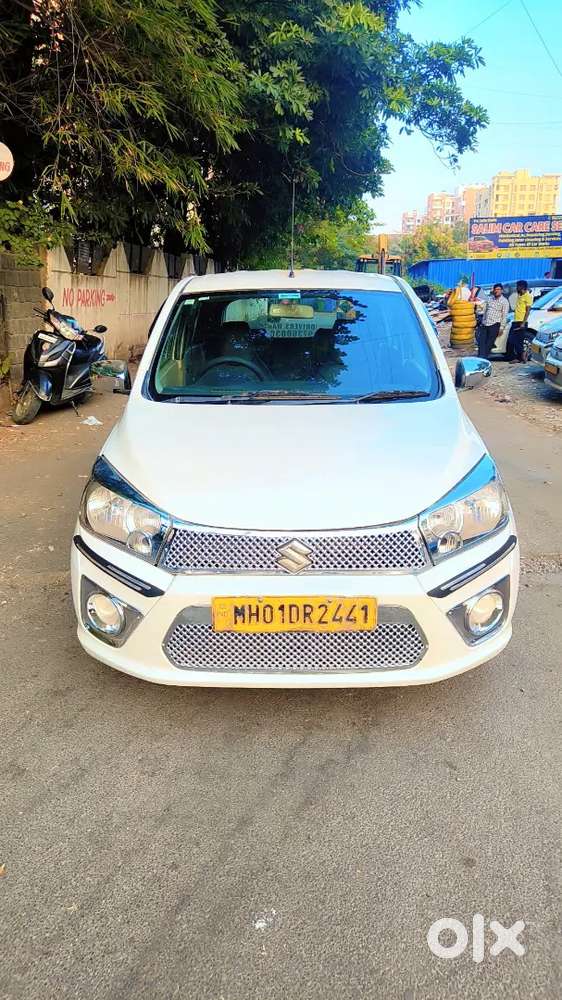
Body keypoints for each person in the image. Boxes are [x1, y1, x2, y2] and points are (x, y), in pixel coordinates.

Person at [477, 282, 509, 358]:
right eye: (495, 289)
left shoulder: (504, 301)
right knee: (481, 342)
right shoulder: (490, 299)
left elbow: (504, 315)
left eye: (498, 289)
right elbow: (485, 310)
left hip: (494, 324)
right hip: (485, 323)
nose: (496, 291)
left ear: (502, 290)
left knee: (489, 343)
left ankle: (484, 357)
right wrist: (482, 321)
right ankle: (480, 357)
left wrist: (502, 327)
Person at [506, 280, 533, 363]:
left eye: (517, 286)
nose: (516, 288)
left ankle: (521, 355)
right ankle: (519, 356)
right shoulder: (519, 295)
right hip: (515, 320)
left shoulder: (527, 296)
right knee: (512, 340)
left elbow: (528, 310)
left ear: (522, 287)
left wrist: (523, 323)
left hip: (521, 321)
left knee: (518, 341)